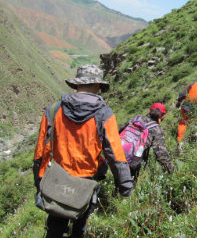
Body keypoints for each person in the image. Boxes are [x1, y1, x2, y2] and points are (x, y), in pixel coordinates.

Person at [33, 64, 133, 238]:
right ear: (96, 86)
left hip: (57, 180)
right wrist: (125, 185)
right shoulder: (104, 114)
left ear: (77, 84)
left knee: (54, 230)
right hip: (86, 184)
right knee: (79, 230)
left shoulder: (53, 110)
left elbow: (40, 153)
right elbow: (115, 155)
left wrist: (39, 182)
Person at [117, 103, 175, 184]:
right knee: (128, 185)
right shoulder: (157, 129)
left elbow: (118, 132)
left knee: (118, 182)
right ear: (162, 116)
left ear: (149, 111)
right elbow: (161, 155)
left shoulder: (135, 118)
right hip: (133, 162)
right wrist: (172, 171)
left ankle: (115, 193)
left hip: (117, 154)